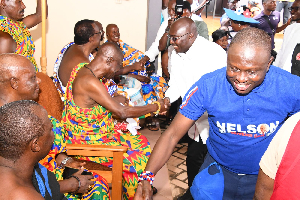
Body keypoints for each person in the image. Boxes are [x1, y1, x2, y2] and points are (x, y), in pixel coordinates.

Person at [134, 27, 300, 199]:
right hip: (217, 173)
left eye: (252, 71)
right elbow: (172, 134)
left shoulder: (291, 87)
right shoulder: (208, 86)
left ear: (269, 63)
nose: (241, 79)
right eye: (234, 68)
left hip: (264, 179)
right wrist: (146, 177)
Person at [61, 42, 169, 200]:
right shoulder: (90, 81)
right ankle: (135, 193)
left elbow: (91, 100)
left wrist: (113, 99)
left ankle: (141, 186)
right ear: (109, 61)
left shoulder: (83, 68)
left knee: (142, 142)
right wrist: (155, 107)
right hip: (87, 143)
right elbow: (121, 112)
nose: (117, 71)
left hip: (94, 134)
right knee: (137, 158)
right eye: (118, 66)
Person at [0, 53, 110, 200]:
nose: (39, 80)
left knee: (96, 182)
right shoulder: (6, 127)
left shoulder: (35, 112)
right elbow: (19, 185)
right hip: (43, 190)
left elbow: (52, 152)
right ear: (14, 83)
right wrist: (72, 184)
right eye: (32, 77)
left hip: (52, 177)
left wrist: (66, 161)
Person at [164, 17, 227, 200]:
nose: (172, 42)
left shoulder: (213, 53)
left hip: (213, 122)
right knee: (192, 159)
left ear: (191, 35)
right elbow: (175, 83)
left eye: (176, 38)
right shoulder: (175, 52)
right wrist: (166, 100)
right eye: (171, 37)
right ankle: (193, 192)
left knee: (210, 165)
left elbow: (222, 91)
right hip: (193, 121)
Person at [0, 100, 66, 200]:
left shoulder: (22, 172)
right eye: (50, 129)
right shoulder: (24, 196)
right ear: (36, 145)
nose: (54, 134)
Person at [53, 19, 106, 100]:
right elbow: (96, 93)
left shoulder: (71, 46)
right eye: (99, 33)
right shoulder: (83, 64)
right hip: (73, 104)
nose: (101, 36)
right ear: (91, 38)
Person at [253, 111, 300, 199]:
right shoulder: (293, 123)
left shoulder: (294, 122)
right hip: (225, 174)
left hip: (259, 176)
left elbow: (262, 192)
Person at [0, 0, 48, 71]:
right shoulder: (4, 36)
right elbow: (4, 75)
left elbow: (40, 15)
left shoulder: (17, 25)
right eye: (19, 2)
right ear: (3, 3)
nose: (23, 6)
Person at [273, 0, 300, 72]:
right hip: (282, 72)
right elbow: (282, 51)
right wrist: (276, 69)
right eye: (291, 9)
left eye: (296, 8)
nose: (292, 12)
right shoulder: (289, 28)